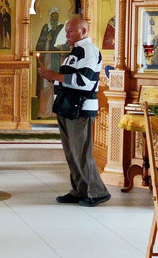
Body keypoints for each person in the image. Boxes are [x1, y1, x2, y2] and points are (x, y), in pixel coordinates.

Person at [37, 16, 111, 206]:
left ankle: (98, 192)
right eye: (66, 31)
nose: (66, 35)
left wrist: (55, 76)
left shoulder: (89, 51)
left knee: (81, 153)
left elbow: (84, 82)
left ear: (83, 31)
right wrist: (52, 77)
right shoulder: (75, 51)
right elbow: (69, 78)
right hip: (67, 107)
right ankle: (79, 190)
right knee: (72, 152)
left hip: (80, 108)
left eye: (70, 31)